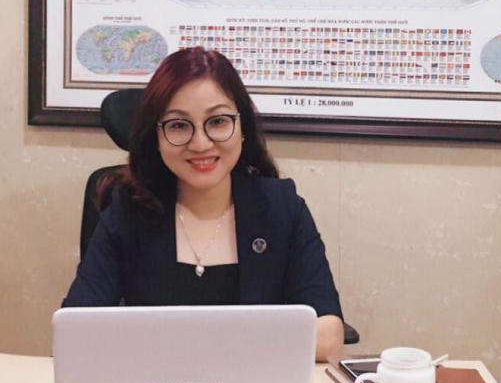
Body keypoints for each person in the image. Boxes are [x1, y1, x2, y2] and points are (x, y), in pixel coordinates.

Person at [63, 47, 344, 361]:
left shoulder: (282, 208)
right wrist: (247, 341)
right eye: (179, 125)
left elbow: (328, 335)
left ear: (242, 127)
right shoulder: (127, 211)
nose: (200, 144)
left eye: (218, 121)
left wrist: (190, 343)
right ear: (156, 136)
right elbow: (76, 333)